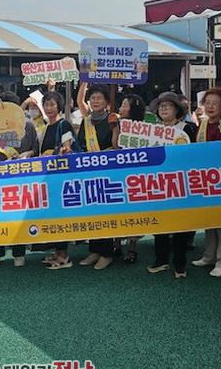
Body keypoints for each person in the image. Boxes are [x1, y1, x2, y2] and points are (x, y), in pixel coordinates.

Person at [145, 92, 197, 278]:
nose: (164, 108)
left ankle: (180, 263)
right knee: (160, 222)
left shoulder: (187, 128)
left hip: (180, 182)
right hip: (158, 182)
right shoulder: (151, 130)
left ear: (177, 110)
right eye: (161, 106)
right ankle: (161, 259)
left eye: (168, 105)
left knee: (180, 223)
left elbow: (193, 154)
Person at [0, 92, 39, 269]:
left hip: (21, 177)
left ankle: (19, 253)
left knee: (19, 216)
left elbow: (35, 149)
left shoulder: (28, 126)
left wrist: (29, 153)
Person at [192, 88, 221, 277]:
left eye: (215, 103)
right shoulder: (202, 125)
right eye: (207, 102)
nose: (210, 106)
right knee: (209, 218)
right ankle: (209, 255)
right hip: (205, 178)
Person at [76, 83, 118, 271]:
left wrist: (115, 130)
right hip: (89, 171)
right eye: (92, 98)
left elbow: (117, 146)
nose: (95, 101)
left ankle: (107, 253)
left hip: (108, 172)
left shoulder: (113, 119)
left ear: (107, 101)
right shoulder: (86, 121)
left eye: (99, 98)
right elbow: (80, 145)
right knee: (91, 211)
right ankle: (94, 250)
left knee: (105, 212)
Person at [39, 90, 76, 270]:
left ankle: (63, 255)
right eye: (46, 104)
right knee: (52, 214)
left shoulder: (64, 124)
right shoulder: (46, 126)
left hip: (61, 176)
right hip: (48, 176)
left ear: (59, 106)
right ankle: (57, 251)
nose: (49, 108)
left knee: (60, 214)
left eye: (52, 104)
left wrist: (63, 150)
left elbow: (67, 146)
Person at [111, 94, 147, 264]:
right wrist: (115, 128)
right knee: (118, 208)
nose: (121, 108)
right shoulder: (118, 123)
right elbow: (116, 146)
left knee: (134, 210)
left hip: (135, 175)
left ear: (133, 109)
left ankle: (132, 246)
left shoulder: (145, 127)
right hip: (119, 172)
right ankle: (116, 242)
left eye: (124, 105)